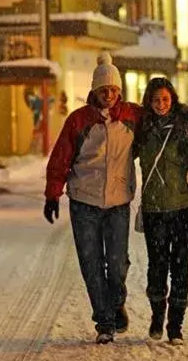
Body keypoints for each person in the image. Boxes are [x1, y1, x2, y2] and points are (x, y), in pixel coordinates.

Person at [44, 53, 143, 344]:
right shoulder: (79, 120)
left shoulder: (132, 117)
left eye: (113, 90)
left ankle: (116, 301)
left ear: (120, 91)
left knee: (117, 262)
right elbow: (60, 157)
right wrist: (53, 194)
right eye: (103, 90)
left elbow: (162, 117)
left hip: (118, 202)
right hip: (84, 201)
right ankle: (105, 322)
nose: (109, 95)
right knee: (91, 262)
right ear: (94, 91)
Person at [134, 78, 188, 345]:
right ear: (149, 101)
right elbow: (120, 156)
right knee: (157, 265)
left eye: (165, 100)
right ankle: (158, 315)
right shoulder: (142, 127)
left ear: (173, 99)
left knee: (180, 265)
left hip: (184, 207)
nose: (160, 105)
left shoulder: (186, 125)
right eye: (156, 100)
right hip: (155, 207)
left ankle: (175, 326)